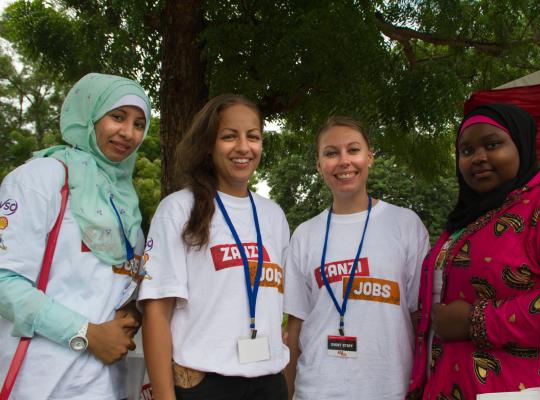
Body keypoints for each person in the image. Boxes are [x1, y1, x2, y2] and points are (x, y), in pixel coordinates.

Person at [406, 103, 540, 399]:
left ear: (522, 144)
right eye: (467, 151)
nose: (479, 158)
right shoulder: (464, 221)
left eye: (492, 145)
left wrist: (478, 321)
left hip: (528, 388)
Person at [0, 72, 151, 399]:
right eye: (117, 117)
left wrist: (132, 311)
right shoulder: (42, 178)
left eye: (139, 124)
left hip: (106, 384)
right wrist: (86, 334)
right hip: (39, 382)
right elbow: (4, 281)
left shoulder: (125, 201)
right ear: (89, 115)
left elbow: (119, 284)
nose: (128, 133)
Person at [139, 94, 289, 400]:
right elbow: (156, 312)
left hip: (269, 382)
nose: (243, 147)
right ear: (209, 144)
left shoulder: (273, 215)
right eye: (229, 136)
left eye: (253, 136)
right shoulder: (179, 209)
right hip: (205, 385)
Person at [284, 116, 430, 400]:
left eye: (353, 150)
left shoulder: (405, 224)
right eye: (330, 153)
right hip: (317, 389)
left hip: (389, 388)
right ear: (319, 166)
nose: (343, 161)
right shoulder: (304, 234)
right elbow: (295, 325)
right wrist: (287, 393)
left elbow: (418, 315)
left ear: (369, 157)